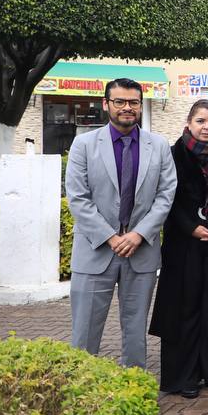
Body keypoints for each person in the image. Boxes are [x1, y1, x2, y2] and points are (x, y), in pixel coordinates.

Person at [66, 78, 176, 368]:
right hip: (95, 251)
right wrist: (111, 237)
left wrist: (138, 234)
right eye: (120, 102)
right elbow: (77, 197)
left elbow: (166, 195)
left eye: (134, 102)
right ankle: (82, 391)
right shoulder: (84, 144)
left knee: (135, 331)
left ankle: (133, 387)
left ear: (141, 105)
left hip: (141, 252)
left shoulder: (160, 146)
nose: (127, 108)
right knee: (84, 333)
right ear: (106, 104)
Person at [148, 100, 208, 398]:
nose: (207, 127)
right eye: (201, 121)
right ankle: (184, 377)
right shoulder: (173, 154)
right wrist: (190, 225)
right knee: (184, 307)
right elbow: (167, 196)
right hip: (183, 242)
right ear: (189, 123)